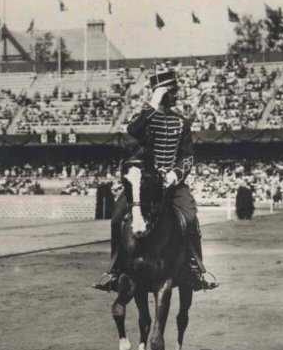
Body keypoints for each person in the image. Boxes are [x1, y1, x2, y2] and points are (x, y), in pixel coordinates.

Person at [93, 68, 218, 292]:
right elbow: (133, 131)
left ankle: (197, 268)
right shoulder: (146, 119)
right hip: (144, 182)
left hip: (173, 183)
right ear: (161, 93)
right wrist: (152, 104)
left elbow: (188, 156)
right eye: (171, 92)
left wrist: (176, 174)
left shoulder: (182, 122)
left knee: (189, 218)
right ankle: (114, 270)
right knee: (117, 219)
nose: (175, 96)